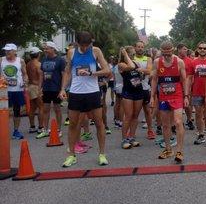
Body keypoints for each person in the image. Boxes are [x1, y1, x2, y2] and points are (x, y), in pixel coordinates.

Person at [59, 31, 111, 167]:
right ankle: (71, 155)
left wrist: (92, 73)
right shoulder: (71, 52)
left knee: (99, 124)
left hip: (92, 92)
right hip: (76, 93)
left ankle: (102, 154)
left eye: (87, 45)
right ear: (77, 43)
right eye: (82, 46)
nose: (85, 48)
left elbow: (107, 70)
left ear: (91, 43)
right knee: (73, 124)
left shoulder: (96, 51)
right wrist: (63, 89)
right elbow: (68, 71)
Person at [150, 41, 189, 162]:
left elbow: (184, 80)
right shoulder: (157, 62)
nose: (167, 56)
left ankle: (180, 151)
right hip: (163, 97)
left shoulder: (179, 62)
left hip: (177, 96)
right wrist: (152, 96)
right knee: (165, 124)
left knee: (178, 122)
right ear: (161, 52)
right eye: (164, 53)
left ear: (173, 51)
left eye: (169, 53)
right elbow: (155, 80)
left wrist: (186, 96)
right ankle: (168, 149)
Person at [36, 42, 66, 139]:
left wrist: (62, 89)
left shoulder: (60, 60)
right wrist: (39, 87)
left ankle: (59, 130)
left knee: (57, 109)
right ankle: (45, 129)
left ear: (53, 49)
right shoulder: (44, 59)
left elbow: (63, 75)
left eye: (47, 48)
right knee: (46, 109)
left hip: (56, 88)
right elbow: (41, 74)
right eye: (44, 49)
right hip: (46, 88)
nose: (45, 50)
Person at [118, 46, 144, 149]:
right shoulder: (121, 64)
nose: (133, 55)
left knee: (135, 116)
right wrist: (124, 55)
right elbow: (131, 67)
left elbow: (139, 74)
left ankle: (132, 137)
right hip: (128, 92)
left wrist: (141, 75)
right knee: (128, 116)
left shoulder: (135, 63)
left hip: (138, 90)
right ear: (126, 54)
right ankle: (124, 139)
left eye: (134, 54)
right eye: (131, 54)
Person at [1, 43, 29, 139]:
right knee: (3, 111)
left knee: (17, 110)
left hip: (17, 89)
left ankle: (16, 131)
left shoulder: (20, 61)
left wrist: (25, 82)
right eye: (6, 50)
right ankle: (3, 131)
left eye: (9, 50)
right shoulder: (1, 60)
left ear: (14, 51)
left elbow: (25, 74)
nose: (7, 52)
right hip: (4, 90)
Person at [191, 41, 206, 145]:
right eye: (201, 48)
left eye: (205, 48)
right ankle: (200, 134)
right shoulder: (193, 62)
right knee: (198, 114)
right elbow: (189, 77)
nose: (203, 50)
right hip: (196, 91)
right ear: (197, 49)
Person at [133, 41, 155, 139]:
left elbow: (150, 70)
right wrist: (143, 70)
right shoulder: (131, 58)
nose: (140, 48)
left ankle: (150, 130)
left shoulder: (148, 59)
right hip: (133, 88)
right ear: (135, 48)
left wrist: (139, 70)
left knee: (147, 111)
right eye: (138, 47)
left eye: (142, 47)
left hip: (145, 88)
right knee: (134, 113)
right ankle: (131, 133)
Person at [177, 43, 195, 130]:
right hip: (176, 86)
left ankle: (189, 120)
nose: (186, 50)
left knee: (188, 105)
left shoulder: (190, 61)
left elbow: (191, 76)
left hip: (187, 86)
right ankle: (178, 122)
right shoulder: (174, 59)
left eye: (186, 49)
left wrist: (189, 87)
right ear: (179, 50)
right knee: (177, 106)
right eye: (184, 49)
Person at [26, 47, 44, 133]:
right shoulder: (38, 64)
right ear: (38, 54)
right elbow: (40, 77)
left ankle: (32, 126)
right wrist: (40, 89)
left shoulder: (28, 64)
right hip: (36, 86)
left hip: (30, 86)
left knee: (32, 108)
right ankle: (41, 127)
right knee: (41, 107)